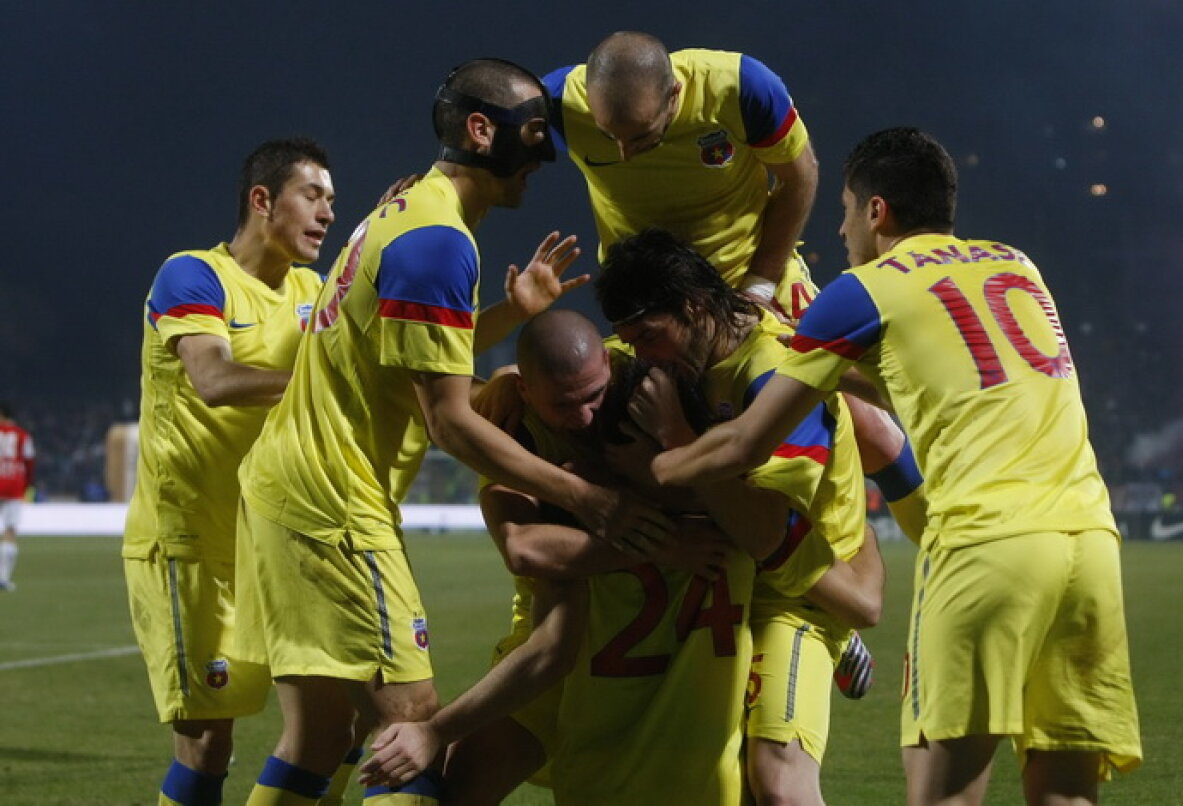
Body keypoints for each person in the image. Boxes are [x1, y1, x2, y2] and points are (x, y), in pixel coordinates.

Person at [643, 128, 1142, 805]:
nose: (841, 227)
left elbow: (745, 446)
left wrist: (664, 460)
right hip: (1091, 543)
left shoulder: (860, 291)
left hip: (985, 542)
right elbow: (919, 383)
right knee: (1066, 793)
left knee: (943, 796)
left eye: (846, 209)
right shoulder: (1016, 264)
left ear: (876, 211)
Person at [233, 60, 670, 806]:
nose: (544, 155)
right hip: (333, 504)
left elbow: (414, 356)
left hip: (291, 486)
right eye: (533, 134)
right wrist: (588, 498)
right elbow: (450, 422)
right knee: (412, 725)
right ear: (480, 130)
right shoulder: (438, 242)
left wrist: (513, 314)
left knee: (320, 736)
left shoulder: (408, 212)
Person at [361, 309, 879, 804]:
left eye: (592, 396)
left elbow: (750, 507)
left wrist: (665, 462)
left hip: (687, 642)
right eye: (563, 405)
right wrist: (659, 540)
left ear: (609, 363)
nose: (583, 416)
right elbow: (524, 549)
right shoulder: (517, 429)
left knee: (774, 784)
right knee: (462, 786)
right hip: (575, 641)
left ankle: (831, 628)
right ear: (527, 392)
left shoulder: (659, 391)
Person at [544, 28, 927, 554]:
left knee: (869, 426)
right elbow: (482, 134)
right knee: (623, 425)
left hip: (752, 281)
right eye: (610, 137)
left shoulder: (741, 89)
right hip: (652, 302)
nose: (625, 154)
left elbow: (800, 177)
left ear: (674, 95)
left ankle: (945, 545)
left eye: (642, 136)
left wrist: (760, 284)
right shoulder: (556, 103)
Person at [597, 229, 885, 806]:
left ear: (693, 307)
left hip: (794, 591)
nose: (643, 355)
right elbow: (574, 363)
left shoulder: (777, 373)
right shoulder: (670, 354)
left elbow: (767, 530)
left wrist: (676, 441)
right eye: (633, 341)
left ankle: (835, 634)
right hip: (725, 578)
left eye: (649, 336)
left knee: (777, 782)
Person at [120, 137, 336, 806]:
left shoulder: (311, 290)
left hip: (273, 543)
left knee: (338, 717)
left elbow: (383, 354)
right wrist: (319, 381)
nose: (328, 213)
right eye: (313, 195)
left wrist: (508, 313)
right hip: (192, 545)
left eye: (333, 201)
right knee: (208, 742)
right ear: (262, 199)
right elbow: (213, 379)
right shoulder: (193, 275)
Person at [0, 402, 35, 591]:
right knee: (10, 531)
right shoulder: (23, 435)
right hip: (14, 485)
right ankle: (3, 578)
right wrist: (28, 485)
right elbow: (29, 462)